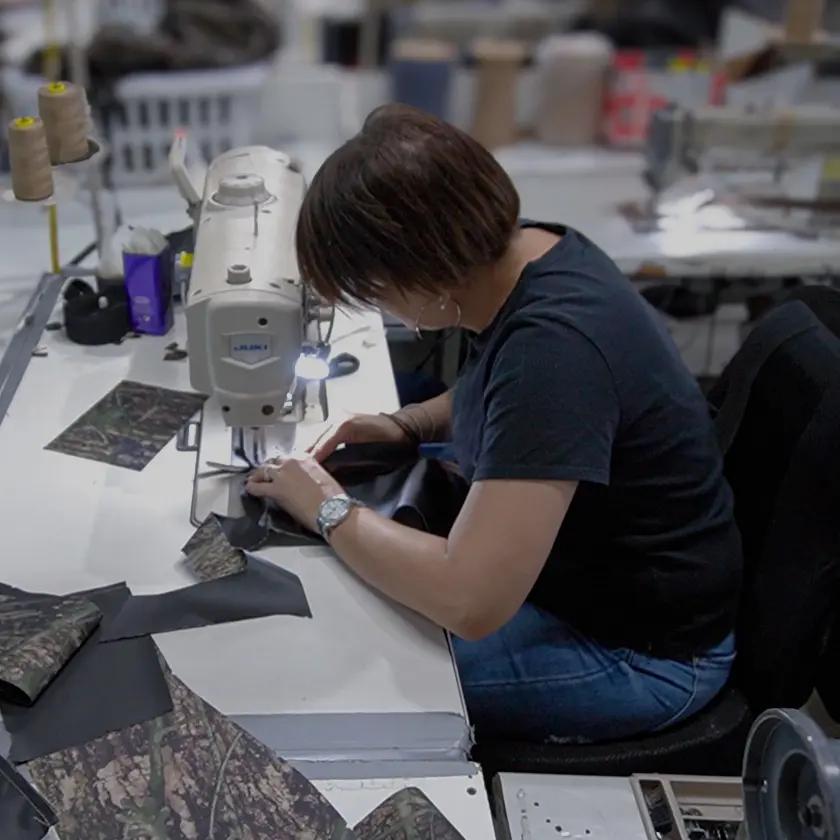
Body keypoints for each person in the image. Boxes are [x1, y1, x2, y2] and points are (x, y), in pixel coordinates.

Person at [245, 104, 742, 743]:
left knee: (328, 679)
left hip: (643, 656)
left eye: (374, 291)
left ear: (422, 270)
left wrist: (328, 509)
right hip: (582, 586)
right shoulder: (534, 254)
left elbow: (469, 599)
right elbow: (506, 392)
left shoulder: (556, 351)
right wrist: (408, 423)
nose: (380, 307)